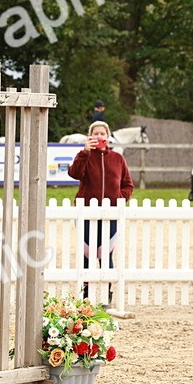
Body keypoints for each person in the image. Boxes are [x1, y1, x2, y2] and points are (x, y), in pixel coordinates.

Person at [68, 121, 134, 302]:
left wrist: (119, 198)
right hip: (87, 213)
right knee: (87, 254)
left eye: (102, 133)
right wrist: (85, 152)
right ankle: (86, 296)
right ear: (90, 137)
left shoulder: (118, 159)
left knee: (106, 254)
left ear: (108, 136)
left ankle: (107, 294)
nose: (99, 136)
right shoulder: (84, 156)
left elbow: (128, 184)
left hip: (111, 215)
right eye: (95, 133)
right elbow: (74, 174)